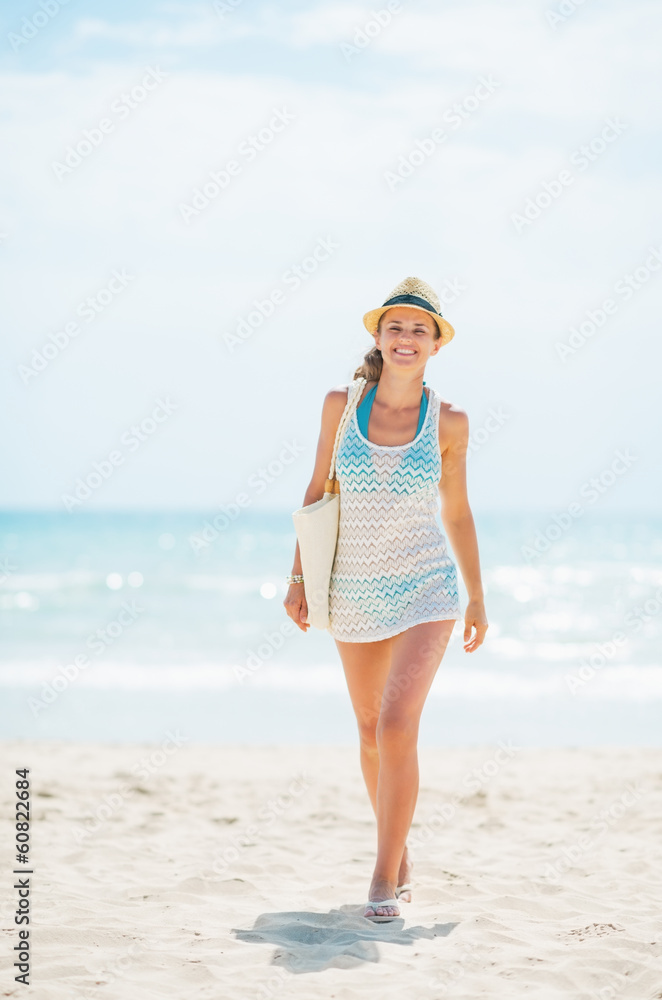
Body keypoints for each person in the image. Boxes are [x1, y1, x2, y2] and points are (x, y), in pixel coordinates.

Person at [283, 276, 488, 922]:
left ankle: (381, 878)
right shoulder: (340, 406)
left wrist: (477, 596)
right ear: (378, 337)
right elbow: (316, 490)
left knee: (399, 725)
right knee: (371, 733)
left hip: (427, 586)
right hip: (353, 587)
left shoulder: (448, 421)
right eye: (395, 328)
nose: (406, 339)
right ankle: (399, 857)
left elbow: (455, 512)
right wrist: (297, 580)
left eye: (418, 330)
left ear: (435, 346)